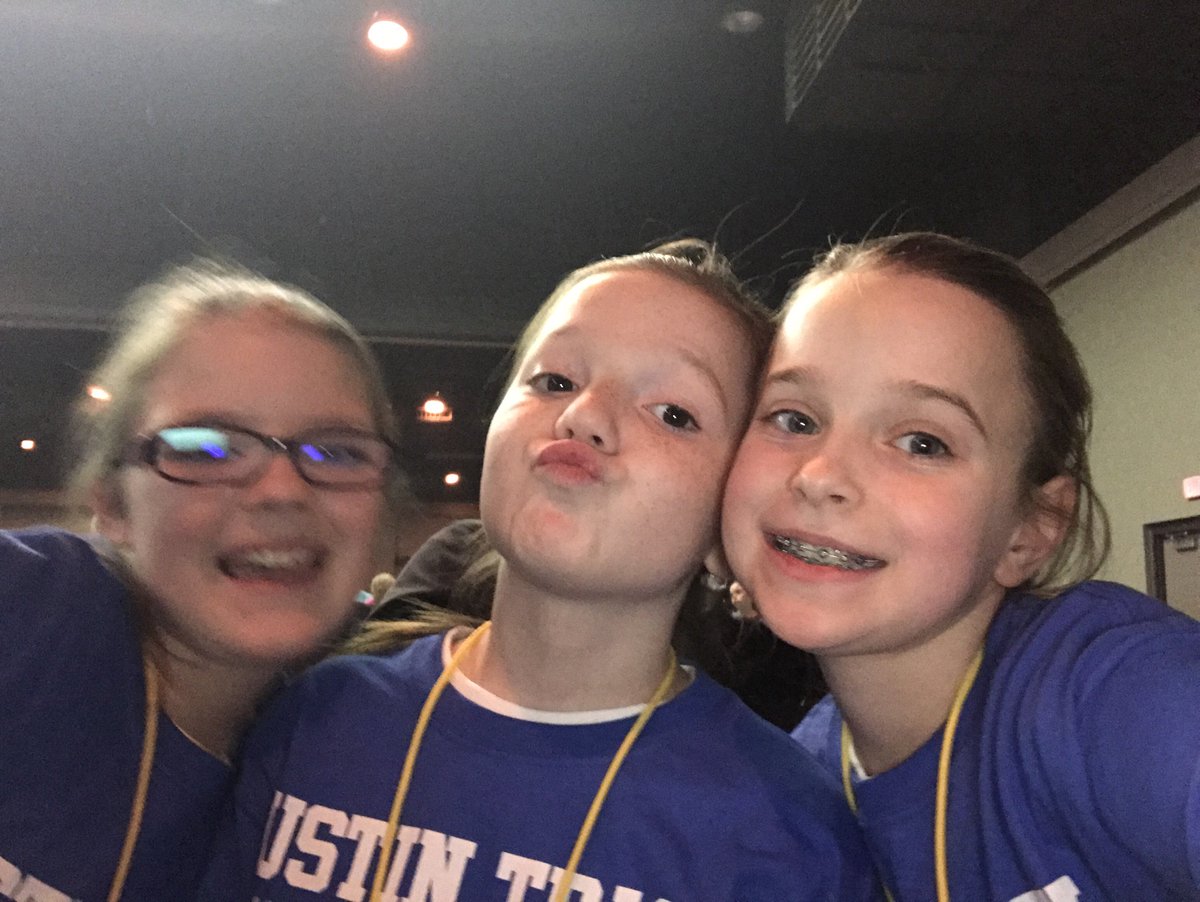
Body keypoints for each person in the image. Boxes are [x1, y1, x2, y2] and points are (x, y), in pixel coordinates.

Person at [201, 241, 880, 902]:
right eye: (555, 381)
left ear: (727, 526)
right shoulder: (320, 717)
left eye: (673, 414)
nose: (583, 415)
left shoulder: (786, 833)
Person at [720, 231, 1200, 901]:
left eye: (923, 442)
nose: (820, 475)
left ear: (1029, 532)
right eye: (794, 419)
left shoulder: (1117, 693)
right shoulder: (795, 786)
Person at [0, 261, 401, 901]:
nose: (281, 490)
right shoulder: (24, 609)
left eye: (338, 451)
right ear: (112, 505)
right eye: (205, 447)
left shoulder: (359, 766)